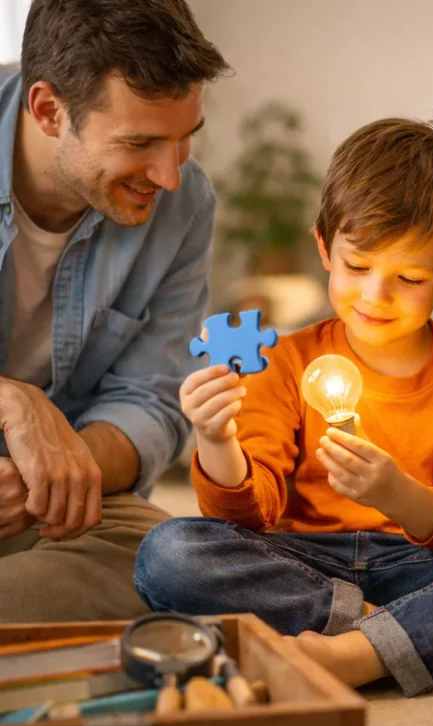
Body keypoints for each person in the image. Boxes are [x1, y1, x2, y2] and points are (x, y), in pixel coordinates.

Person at [134, 116, 433, 697]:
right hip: (305, 563)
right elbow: (249, 517)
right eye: (358, 266)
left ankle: (360, 651)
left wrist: (399, 495)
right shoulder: (283, 359)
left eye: (408, 276)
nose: (375, 296)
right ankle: (432, 644)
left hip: (431, 566)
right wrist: (215, 439)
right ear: (324, 247)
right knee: (169, 553)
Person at [0, 0, 229, 622]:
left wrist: (43, 478)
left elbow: (151, 401)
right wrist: (13, 400)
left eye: (185, 138)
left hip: (53, 507)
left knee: (179, 566)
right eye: (141, 143)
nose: (170, 175)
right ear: (48, 110)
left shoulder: (186, 207)